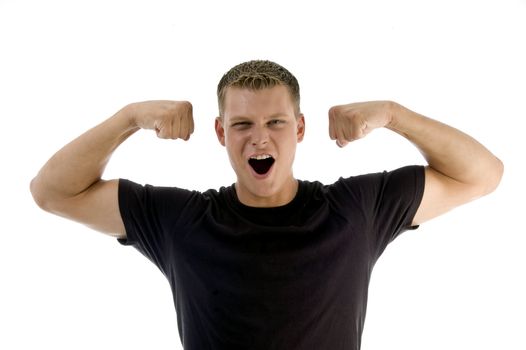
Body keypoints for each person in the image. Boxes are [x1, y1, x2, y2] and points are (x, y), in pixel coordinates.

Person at [30, 60, 503, 350]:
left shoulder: (356, 210)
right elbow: (51, 192)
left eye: (276, 122)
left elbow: (483, 174)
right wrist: (129, 117)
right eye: (241, 124)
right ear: (220, 133)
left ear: (299, 129)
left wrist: (395, 115)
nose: (260, 137)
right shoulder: (179, 221)